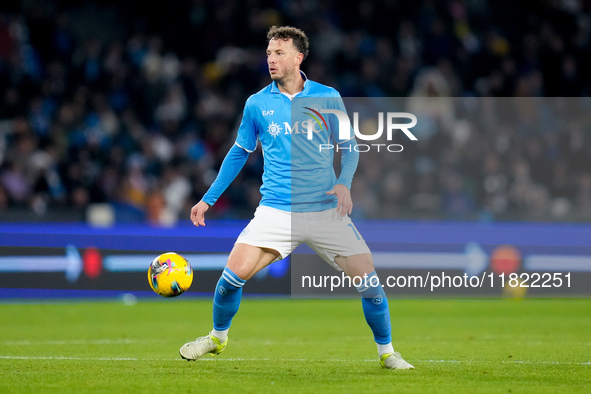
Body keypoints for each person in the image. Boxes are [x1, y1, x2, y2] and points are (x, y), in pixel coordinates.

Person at [179, 25, 413, 370]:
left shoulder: (327, 96)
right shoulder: (257, 103)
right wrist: (208, 199)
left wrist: (345, 183)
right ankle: (217, 338)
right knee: (230, 280)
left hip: (325, 211)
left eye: (279, 53)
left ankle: (387, 353)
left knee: (370, 285)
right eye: (269, 53)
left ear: (298, 58)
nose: (271, 59)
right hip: (276, 211)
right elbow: (239, 152)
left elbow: (349, 147)